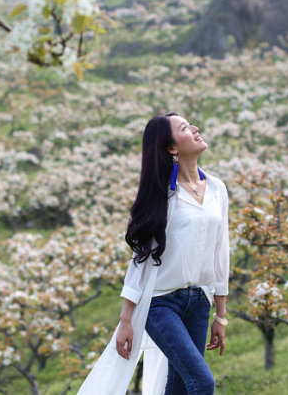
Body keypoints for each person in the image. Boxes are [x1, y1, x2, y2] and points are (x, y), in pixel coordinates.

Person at [78, 113, 229, 395]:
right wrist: (126, 320)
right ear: (171, 148)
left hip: (199, 302)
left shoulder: (217, 189)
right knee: (202, 382)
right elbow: (141, 258)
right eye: (185, 128)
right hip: (160, 305)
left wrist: (220, 315)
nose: (196, 129)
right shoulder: (162, 195)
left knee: (180, 386)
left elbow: (221, 253)